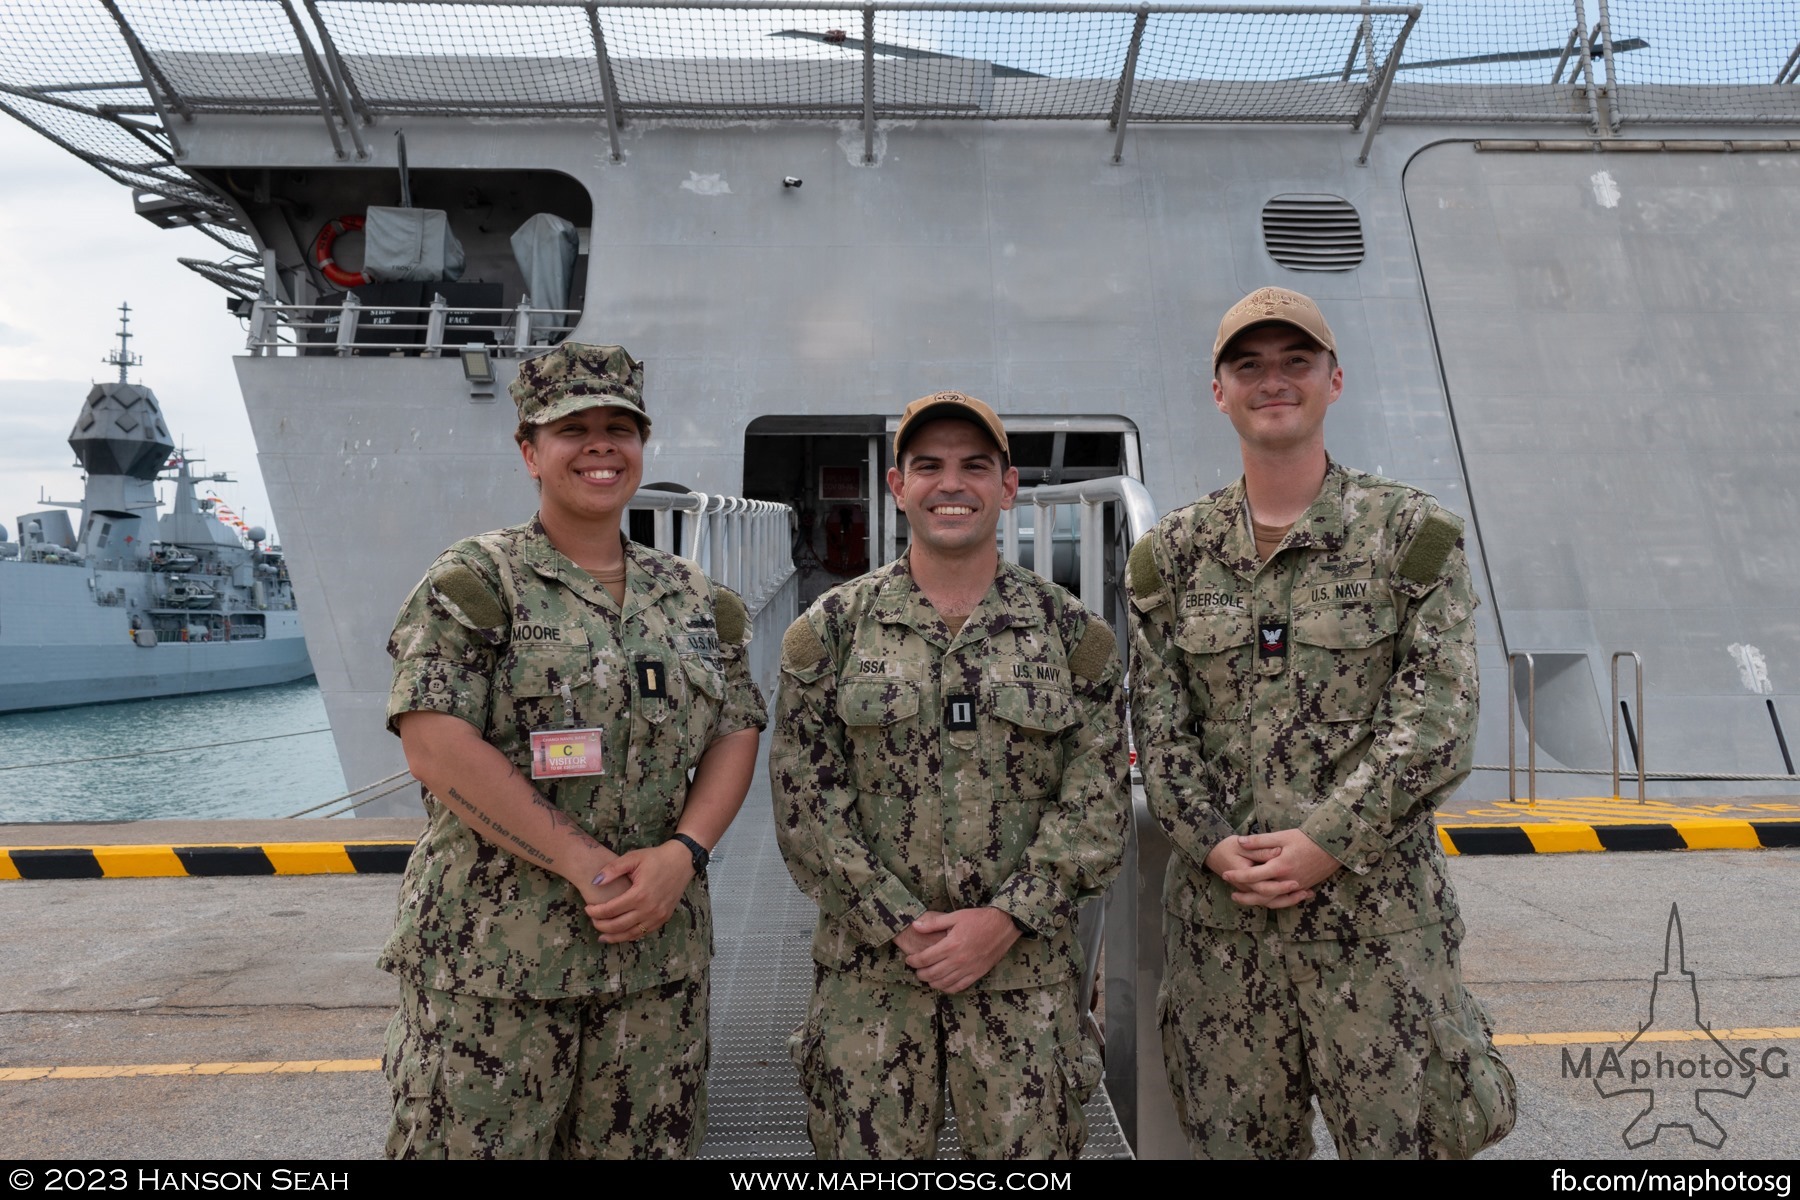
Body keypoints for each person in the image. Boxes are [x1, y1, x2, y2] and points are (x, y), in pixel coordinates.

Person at [1127, 287, 1515, 1160]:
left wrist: (1326, 841)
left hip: (1375, 928)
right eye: (1249, 366)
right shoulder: (1173, 557)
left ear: (1334, 381)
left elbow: (1439, 723)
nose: (1274, 381)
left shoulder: (1410, 535)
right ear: (1217, 391)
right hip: (1224, 933)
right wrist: (1218, 844)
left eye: (1295, 362)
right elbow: (1160, 730)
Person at [379, 342, 765, 1158]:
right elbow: (435, 744)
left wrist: (683, 854)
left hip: (654, 968)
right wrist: (588, 865)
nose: (600, 446)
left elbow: (735, 728)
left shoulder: (698, 600)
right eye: (573, 429)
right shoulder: (475, 582)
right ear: (530, 451)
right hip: (496, 974)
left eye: (619, 428)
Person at [770, 391, 1129, 1159]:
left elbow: (1096, 808)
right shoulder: (830, 633)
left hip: (1023, 985)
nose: (950, 484)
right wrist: (902, 927)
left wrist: (1003, 920)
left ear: (1008, 487)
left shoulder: (1074, 638)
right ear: (899, 487)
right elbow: (806, 810)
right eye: (928, 466)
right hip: (872, 983)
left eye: (974, 466)